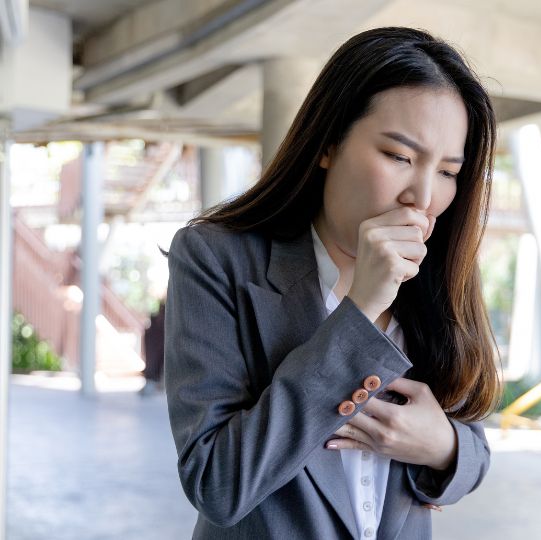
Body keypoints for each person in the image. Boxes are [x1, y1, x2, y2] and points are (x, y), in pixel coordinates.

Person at [162, 26, 501, 539]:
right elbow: (217, 483)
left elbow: (474, 448)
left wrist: (443, 447)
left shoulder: (436, 274)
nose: (423, 196)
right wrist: (360, 310)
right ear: (328, 143)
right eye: (399, 157)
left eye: (448, 172)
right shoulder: (216, 258)